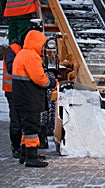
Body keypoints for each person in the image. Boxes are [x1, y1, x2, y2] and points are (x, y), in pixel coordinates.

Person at [12, 30, 57, 167]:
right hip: (30, 99)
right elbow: (39, 79)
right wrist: (52, 82)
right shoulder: (32, 56)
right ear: (37, 43)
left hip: (21, 99)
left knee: (26, 128)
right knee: (32, 128)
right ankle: (32, 158)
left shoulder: (21, 54)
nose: (44, 48)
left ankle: (26, 154)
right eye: (42, 44)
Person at [2, 38, 22, 158]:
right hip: (12, 90)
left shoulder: (25, 50)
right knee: (16, 120)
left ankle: (23, 146)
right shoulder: (14, 49)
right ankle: (15, 146)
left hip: (22, 90)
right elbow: (10, 68)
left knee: (22, 119)